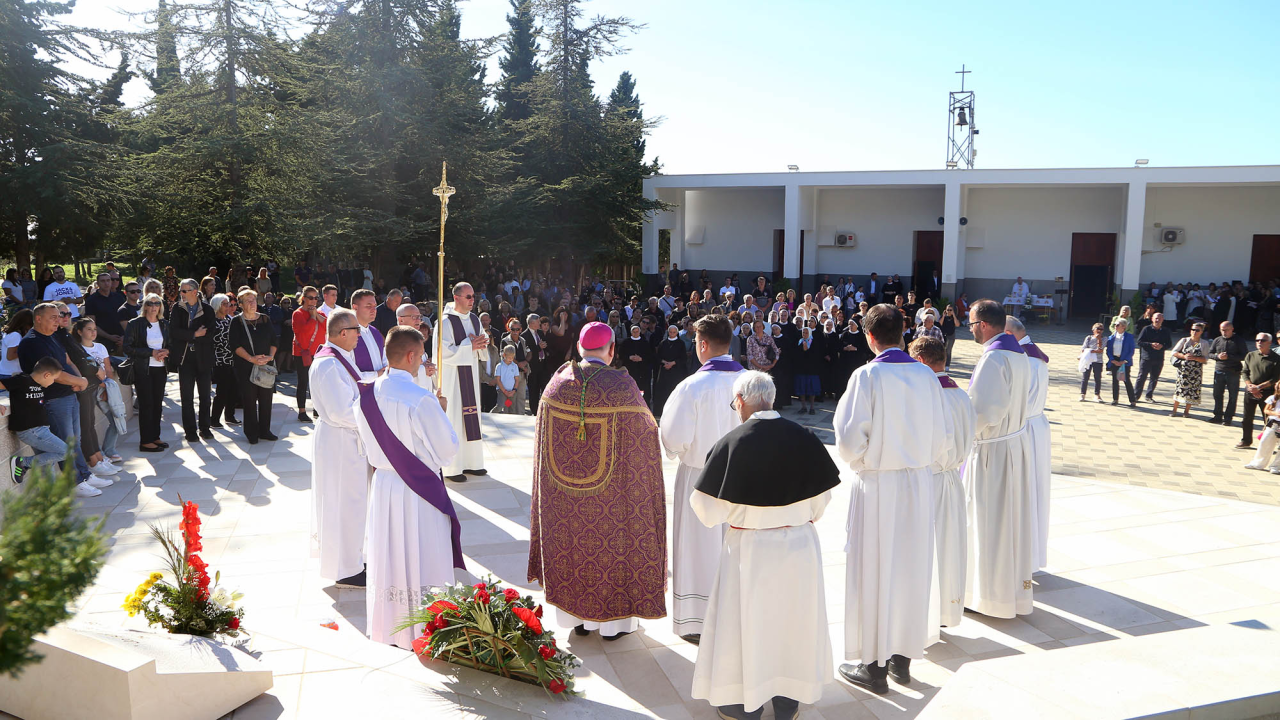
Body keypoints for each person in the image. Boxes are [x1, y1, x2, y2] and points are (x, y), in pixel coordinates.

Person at [690, 370, 839, 720]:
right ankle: (788, 702)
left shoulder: (731, 442)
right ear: (771, 398)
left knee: (746, 627)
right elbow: (823, 500)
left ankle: (745, 704)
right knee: (793, 626)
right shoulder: (805, 438)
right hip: (799, 546)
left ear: (740, 401)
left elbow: (707, 510)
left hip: (749, 549)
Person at [527, 322, 666, 641]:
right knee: (610, 549)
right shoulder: (622, 386)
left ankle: (576, 620)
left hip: (562, 496)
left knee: (573, 548)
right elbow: (647, 432)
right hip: (611, 497)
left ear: (578, 347)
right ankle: (611, 627)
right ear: (612, 349)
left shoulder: (556, 384)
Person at [833, 304, 945, 694]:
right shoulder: (927, 376)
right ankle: (902, 659)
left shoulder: (867, 375)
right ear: (903, 334)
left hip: (880, 485)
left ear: (868, 336)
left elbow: (847, 441)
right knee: (909, 569)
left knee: (874, 569)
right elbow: (941, 437)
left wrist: (869, 460)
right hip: (918, 483)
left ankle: (874, 664)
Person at [354, 325, 461, 647]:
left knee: (391, 553)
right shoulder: (421, 398)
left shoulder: (365, 395)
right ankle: (427, 626)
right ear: (411, 356)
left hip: (385, 486)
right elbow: (447, 450)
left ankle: (391, 626)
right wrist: (441, 413)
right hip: (419, 489)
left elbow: (365, 448)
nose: (422, 362)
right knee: (422, 551)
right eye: (421, 355)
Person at [658, 314, 745, 644]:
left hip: (700, 477)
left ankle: (697, 621)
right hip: (742, 478)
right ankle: (733, 616)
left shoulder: (691, 386)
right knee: (735, 548)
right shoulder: (752, 381)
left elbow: (672, 437)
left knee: (697, 548)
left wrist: (683, 450)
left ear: (703, 344)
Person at [963, 299, 1034, 619]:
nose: (970, 330)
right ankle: (1009, 591)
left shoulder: (993, 359)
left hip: (992, 450)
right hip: (1013, 446)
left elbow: (983, 413)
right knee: (1008, 520)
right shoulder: (1019, 354)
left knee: (987, 520)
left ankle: (988, 596)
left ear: (985, 324)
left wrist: (956, 431)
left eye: (971, 325)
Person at [907, 336, 973, 630]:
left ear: (920, 361)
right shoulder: (961, 394)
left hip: (929, 480)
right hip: (952, 479)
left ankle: (926, 613)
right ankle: (947, 611)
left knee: (926, 550)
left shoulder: (926, 395)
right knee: (949, 547)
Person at [310, 307, 374, 588]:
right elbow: (341, 411)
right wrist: (376, 413)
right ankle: (345, 569)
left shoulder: (341, 357)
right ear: (343, 333)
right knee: (342, 503)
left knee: (352, 503)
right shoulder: (328, 364)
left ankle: (351, 559)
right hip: (340, 441)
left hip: (347, 440)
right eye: (357, 330)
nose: (360, 334)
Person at [1007, 317, 1051, 571]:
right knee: (1034, 490)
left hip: (1024, 428)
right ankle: (1030, 555)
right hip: (1035, 426)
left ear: (1010, 334)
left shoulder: (1023, 358)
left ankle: (1025, 555)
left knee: (1026, 491)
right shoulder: (1033, 355)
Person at [437, 282, 489, 482]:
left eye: (473, 296)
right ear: (456, 298)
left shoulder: (475, 319)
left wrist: (483, 343)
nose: (472, 300)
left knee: (471, 417)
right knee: (455, 417)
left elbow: (481, 344)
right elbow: (443, 352)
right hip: (452, 379)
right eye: (468, 297)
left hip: (470, 375)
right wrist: (470, 345)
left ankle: (473, 463)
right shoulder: (445, 322)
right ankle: (452, 468)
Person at [63, 317, 119, 477]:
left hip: (97, 388)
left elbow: (106, 369)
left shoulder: (99, 347)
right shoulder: (73, 345)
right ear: (79, 331)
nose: (93, 332)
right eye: (89, 329)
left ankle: (99, 457)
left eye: (95, 329)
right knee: (85, 425)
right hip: (84, 388)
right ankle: (93, 461)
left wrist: (106, 385)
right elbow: (83, 368)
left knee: (92, 423)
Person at [4, 357, 71, 484]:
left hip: (41, 430)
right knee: (65, 452)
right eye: (54, 379)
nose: (53, 382)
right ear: (47, 375)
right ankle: (23, 463)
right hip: (32, 431)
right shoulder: (22, 380)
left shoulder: (39, 384)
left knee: (47, 465)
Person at [169, 279, 217, 443]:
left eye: (184, 291)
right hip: (185, 358)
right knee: (187, 397)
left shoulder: (208, 310)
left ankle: (205, 428)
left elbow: (210, 334)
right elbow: (174, 332)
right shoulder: (177, 308)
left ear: (194, 292)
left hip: (203, 358)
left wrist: (190, 336)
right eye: (180, 291)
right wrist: (194, 335)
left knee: (205, 396)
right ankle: (190, 431)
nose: (180, 294)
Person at [229, 289, 279, 444]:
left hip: (265, 366)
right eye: (248, 301)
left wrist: (270, 357)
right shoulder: (236, 322)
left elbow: (274, 341)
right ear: (241, 304)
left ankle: (265, 430)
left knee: (266, 399)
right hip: (246, 366)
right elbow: (235, 345)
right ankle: (251, 432)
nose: (252, 303)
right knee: (249, 401)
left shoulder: (265, 319)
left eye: (254, 300)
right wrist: (251, 359)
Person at [124, 294, 171, 453]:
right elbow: (128, 348)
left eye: (157, 303)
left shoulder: (164, 324)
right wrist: (151, 353)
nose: (153, 306)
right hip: (143, 369)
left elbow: (171, 344)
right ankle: (145, 441)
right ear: (144, 306)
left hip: (160, 368)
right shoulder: (135, 324)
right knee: (146, 404)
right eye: (150, 303)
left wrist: (166, 351)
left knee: (157, 404)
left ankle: (155, 436)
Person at [1238, 333, 1280, 449]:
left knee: (1268, 419)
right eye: (1257, 340)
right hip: (1250, 391)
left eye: (1263, 340)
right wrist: (1251, 386)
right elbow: (1245, 372)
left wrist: (1259, 387)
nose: (1259, 342)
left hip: (1266, 393)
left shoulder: (1276, 359)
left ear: (1270, 343)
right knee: (1247, 418)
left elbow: (1275, 378)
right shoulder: (1250, 355)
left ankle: (1269, 443)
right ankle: (1246, 440)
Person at [291, 286, 325, 421]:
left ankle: (317, 409)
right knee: (303, 381)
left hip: (318, 352)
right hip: (302, 353)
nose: (314, 300)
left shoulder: (319, 313)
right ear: (304, 298)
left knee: (317, 382)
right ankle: (302, 411)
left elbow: (327, 326)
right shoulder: (297, 314)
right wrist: (312, 318)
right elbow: (303, 333)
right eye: (311, 298)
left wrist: (315, 315)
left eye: (316, 298)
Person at [393, 302, 439, 390]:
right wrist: (423, 369)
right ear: (401, 320)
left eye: (419, 317)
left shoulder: (417, 340)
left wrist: (430, 368)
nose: (418, 320)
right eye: (414, 317)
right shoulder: (395, 343)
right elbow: (397, 372)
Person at [1209, 321, 1247, 426]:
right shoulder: (1217, 340)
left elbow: (1244, 356)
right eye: (1222, 330)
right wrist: (1217, 357)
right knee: (1217, 394)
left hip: (1233, 371)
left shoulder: (1239, 341)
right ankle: (1217, 416)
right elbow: (1210, 353)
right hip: (1219, 370)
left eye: (1226, 330)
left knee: (1233, 396)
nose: (1224, 332)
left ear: (1232, 329)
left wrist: (1229, 357)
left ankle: (1228, 418)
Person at [1170, 322, 1210, 418]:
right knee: (1180, 389)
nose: (1194, 332)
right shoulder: (1184, 340)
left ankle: (1186, 411)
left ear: (1201, 332)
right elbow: (1174, 352)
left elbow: (1205, 359)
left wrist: (1195, 358)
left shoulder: (1203, 343)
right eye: (1193, 330)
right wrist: (1183, 356)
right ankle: (1174, 410)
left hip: (1195, 371)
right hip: (1183, 369)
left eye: (1197, 330)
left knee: (1193, 390)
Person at [1134, 313, 1173, 402]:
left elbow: (1169, 344)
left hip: (1159, 358)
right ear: (1152, 319)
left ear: (1163, 320)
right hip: (1147, 357)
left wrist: (1162, 346)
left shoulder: (1166, 331)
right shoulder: (1146, 329)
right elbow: (1139, 342)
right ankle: (1136, 396)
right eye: (1156, 318)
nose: (1157, 320)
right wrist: (1150, 345)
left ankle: (1149, 396)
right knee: (1142, 377)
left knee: (1154, 378)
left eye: (1159, 319)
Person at [652, 325, 688, 416]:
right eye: (670, 332)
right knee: (663, 393)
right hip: (664, 371)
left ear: (677, 333)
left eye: (674, 332)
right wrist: (664, 362)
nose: (672, 334)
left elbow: (683, 358)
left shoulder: (681, 343)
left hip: (676, 372)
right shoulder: (663, 343)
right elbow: (658, 356)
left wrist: (673, 363)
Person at [83, 273, 124, 350]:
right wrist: (109, 337)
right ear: (98, 283)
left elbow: (126, 318)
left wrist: (124, 336)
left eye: (108, 280)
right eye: (103, 281)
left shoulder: (119, 297)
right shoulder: (91, 300)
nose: (106, 283)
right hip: (102, 340)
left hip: (121, 339)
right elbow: (91, 323)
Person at [349, 289, 386, 373]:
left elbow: (384, 360)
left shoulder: (375, 332)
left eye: (375, 306)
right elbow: (348, 372)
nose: (374, 310)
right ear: (355, 307)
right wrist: (376, 375)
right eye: (368, 306)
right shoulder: (347, 335)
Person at [1244, 389, 1280, 471]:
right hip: (1273, 424)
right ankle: (1258, 463)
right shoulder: (1273, 398)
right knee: (1265, 443)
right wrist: (1275, 414)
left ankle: (1276, 466)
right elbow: (1266, 410)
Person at [1106, 318, 1137, 407]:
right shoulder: (1111, 337)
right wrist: (1112, 360)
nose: (1115, 326)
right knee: (1115, 381)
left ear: (1123, 327)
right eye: (1115, 325)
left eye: (1117, 325)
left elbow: (1131, 350)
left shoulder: (1129, 337)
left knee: (1126, 380)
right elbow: (1108, 350)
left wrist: (1124, 361)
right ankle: (1115, 399)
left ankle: (1132, 400)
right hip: (1114, 360)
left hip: (1125, 361)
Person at [794, 325, 822, 415]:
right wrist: (802, 350)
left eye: (806, 333)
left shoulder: (815, 342)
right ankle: (803, 407)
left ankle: (812, 407)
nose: (804, 334)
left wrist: (807, 350)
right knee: (802, 388)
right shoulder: (799, 342)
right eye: (803, 332)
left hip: (812, 369)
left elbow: (816, 355)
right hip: (801, 369)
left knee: (812, 389)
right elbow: (796, 355)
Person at [1, 309, 34, 381]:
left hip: (11, 373)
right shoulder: (15, 335)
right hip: (10, 375)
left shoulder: (11, 334)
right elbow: (10, 356)